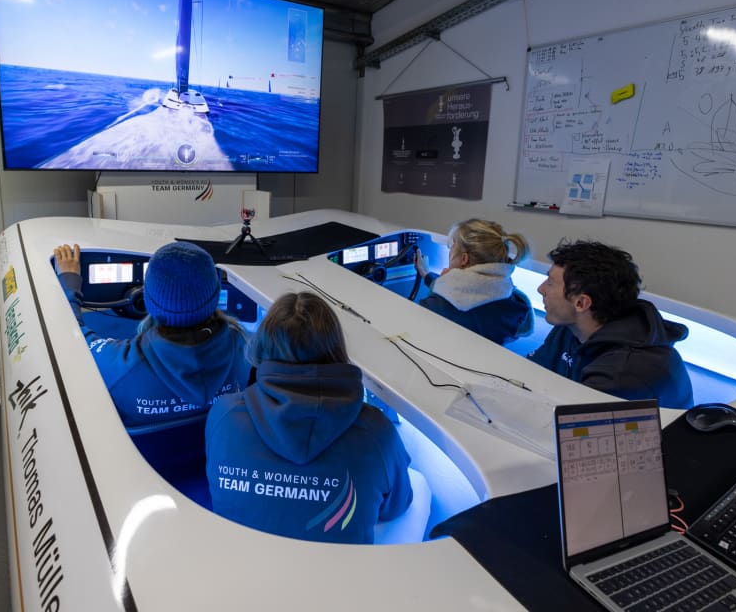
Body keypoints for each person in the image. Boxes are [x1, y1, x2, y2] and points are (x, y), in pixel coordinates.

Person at [205, 291, 415, 544]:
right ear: (336, 347)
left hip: (242, 565)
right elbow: (397, 507)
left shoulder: (224, 415)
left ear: (262, 344)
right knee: (420, 487)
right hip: (340, 577)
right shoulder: (377, 430)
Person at [53, 241, 251, 428]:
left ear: (149, 298)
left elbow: (72, 338)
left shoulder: (118, 366)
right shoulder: (245, 350)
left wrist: (70, 285)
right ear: (215, 294)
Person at [527, 239, 694, 408]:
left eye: (550, 283)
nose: (541, 289)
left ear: (581, 303)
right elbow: (533, 374)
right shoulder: (571, 326)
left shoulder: (621, 373)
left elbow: (577, 426)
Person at [413, 218, 534, 345]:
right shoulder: (515, 305)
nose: (450, 250)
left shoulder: (436, 305)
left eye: (452, 245)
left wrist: (445, 283)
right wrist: (426, 274)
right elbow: (473, 291)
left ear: (464, 259)